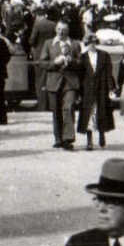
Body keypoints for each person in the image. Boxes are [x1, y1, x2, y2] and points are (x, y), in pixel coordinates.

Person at [44, 20, 83, 150]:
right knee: (56, 111)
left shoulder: (75, 44)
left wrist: (72, 61)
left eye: (64, 29)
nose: (61, 32)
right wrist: (54, 63)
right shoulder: (48, 44)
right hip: (54, 81)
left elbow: (81, 64)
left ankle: (68, 138)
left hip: (70, 82)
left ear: (68, 30)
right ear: (56, 29)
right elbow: (41, 63)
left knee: (68, 107)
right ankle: (58, 138)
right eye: (59, 29)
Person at [77, 32, 115, 150]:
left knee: (101, 112)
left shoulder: (104, 55)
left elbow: (109, 73)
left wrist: (111, 88)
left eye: (93, 42)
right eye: (89, 43)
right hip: (87, 89)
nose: (91, 45)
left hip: (101, 87)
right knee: (88, 115)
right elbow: (80, 75)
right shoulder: (82, 57)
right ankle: (89, 141)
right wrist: (79, 92)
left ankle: (102, 134)